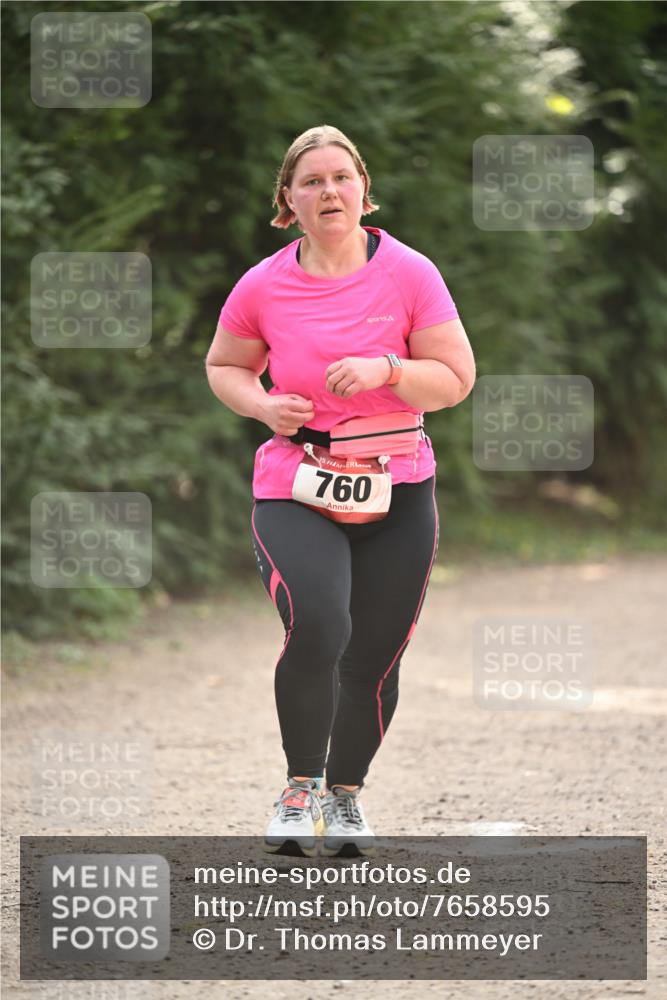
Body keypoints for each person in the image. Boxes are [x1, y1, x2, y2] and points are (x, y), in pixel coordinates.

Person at [206, 124, 475, 857]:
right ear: (287, 202)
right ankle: (297, 791)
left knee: (376, 658)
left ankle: (344, 796)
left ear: (362, 189)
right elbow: (224, 365)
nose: (329, 190)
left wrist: (387, 368)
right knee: (321, 624)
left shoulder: (409, 273)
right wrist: (262, 405)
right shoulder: (263, 283)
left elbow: (454, 379)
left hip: (397, 487)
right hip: (296, 484)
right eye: (311, 181)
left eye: (341, 177)